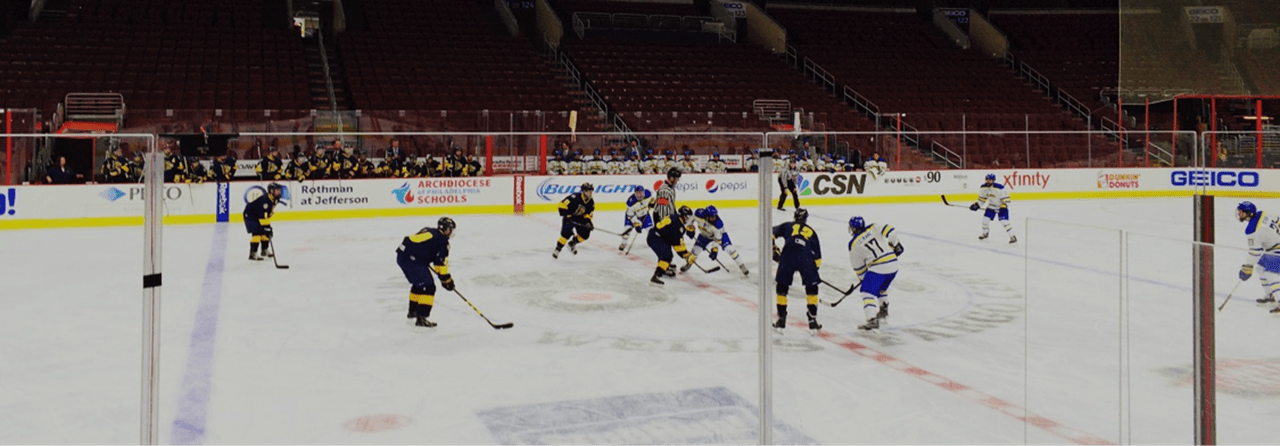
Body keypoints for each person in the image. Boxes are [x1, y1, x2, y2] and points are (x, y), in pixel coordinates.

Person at [396, 217, 457, 327]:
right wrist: (447, 280)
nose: (451, 232)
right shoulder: (442, 241)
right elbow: (440, 264)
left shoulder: (428, 230)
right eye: (450, 229)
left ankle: (412, 311)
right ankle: (422, 317)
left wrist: (422, 256)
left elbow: (413, 241)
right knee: (429, 287)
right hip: (413, 261)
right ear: (445, 229)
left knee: (418, 284)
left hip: (402, 257)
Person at [847, 216, 904, 332]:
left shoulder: (853, 244)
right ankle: (883, 310)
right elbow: (891, 231)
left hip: (879, 267)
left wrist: (864, 280)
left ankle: (872, 319)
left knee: (866, 291)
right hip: (893, 265)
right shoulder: (873, 227)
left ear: (852, 228)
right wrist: (895, 243)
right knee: (881, 288)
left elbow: (859, 268)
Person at [771, 208, 823, 334]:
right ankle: (812, 321)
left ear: (794, 217)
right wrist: (812, 272)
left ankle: (781, 319)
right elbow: (818, 258)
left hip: (787, 254)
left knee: (782, 288)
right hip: (805, 257)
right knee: (812, 289)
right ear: (806, 219)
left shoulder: (788, 225)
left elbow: (769, 233)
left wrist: (774, 249)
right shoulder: (811, 231)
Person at [1236, 201, 1280, 313]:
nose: (1239, 214)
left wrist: (1248, 266)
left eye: (1241, 213)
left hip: (1277, 249)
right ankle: (1270, 294)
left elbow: (1255, 252)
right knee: (1261, 268)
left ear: (1249, 213)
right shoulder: (1262, 214)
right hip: (1274, 248)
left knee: (1270, 273)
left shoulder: (1252, 230)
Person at [691, 205, 749, 276]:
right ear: (707, 215)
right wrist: (689, 228)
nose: (713, 218)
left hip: (720, 235)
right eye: (711, 217)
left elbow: (717, 239)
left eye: (714, 216)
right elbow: (691, 219)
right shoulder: (699, 214)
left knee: (730, 249)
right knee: (694, 251)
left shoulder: (718, 225)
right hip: (704, 235)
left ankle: (741, 265)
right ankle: (689, 264)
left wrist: (714, 250)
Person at [647, 205, 695, 285]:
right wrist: (686, 255)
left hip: (658, 236)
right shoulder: (677, 225)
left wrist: (686, 255)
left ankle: (664, 268)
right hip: (655, 238)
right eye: (687, 217)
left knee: (666, 253)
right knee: (666, 256)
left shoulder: (675, 219)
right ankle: (657, 275)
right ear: (682, 216)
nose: (688, 219)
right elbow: (677, 245)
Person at [970, 173, 1016, 243]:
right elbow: (982, 198)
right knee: (985, 221)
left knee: (1004, 222)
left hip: (1001, 207)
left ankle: (1012, 237)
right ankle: (985, 233)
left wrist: (1003, 206)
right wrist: (977, 205)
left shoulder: (1000, 188)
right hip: (991, 206)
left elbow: (1006, 200)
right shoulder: (983, 187)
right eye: (987, 180)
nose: (988, 181)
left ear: (993, 180)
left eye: (990, 180)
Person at [553, 182, 595, 259]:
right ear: (584, 191)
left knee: (585, 234)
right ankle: (557, 250)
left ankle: (572, 243)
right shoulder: (574, 197)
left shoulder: (591, 202)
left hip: (580, 219)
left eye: (591, 191)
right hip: (569, 217)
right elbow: (562, 204)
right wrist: (566, 215)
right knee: (565, 235)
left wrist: (588, 222)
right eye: (589, 191)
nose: (590, 193)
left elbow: (588, 214)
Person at [243, 183, 282, 261]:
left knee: (265, 233)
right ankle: (253, 254)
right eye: (277, 190)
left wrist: (267, 227)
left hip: (259, 215)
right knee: (257, 234)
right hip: (250, 215)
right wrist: (266, 227)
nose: (279, 192)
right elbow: (262, 216)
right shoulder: (265, 201)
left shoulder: (275, 199)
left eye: (279, 190)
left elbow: (268, 214)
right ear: (271, 191)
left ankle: (264, 250)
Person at [619, 185, 653, 251]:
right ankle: (623, 243)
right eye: (638, 193)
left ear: (643, 192)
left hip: (644, 215)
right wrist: (637, 224)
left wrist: (652, 203)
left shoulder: (648, 193)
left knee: (650, 230)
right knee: (627, 230)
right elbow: (630, 215)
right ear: (635, 193)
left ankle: (652, 242)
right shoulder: (630, 202)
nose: (640, 195)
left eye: (641, 193)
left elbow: (652, 199)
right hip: (632, 216)